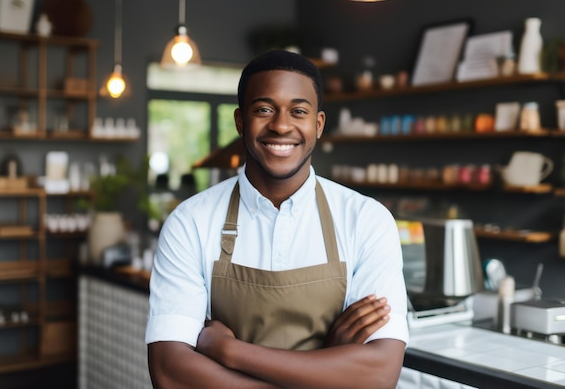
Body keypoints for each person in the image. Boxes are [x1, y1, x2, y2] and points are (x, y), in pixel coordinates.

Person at [146, 49, 409, 389]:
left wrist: (229, 351)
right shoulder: (189, 222)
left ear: (318, 124)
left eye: (298, 111)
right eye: (264, 109)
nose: (281, 125)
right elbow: (170, 373)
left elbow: (378, 374)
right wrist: (329, 370)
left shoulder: (366, 220)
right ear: (240, 121)